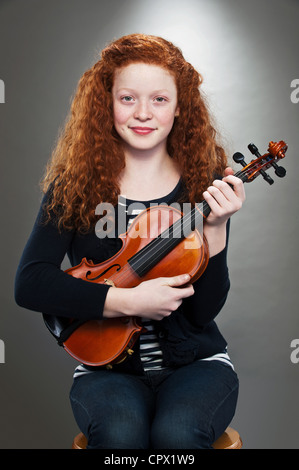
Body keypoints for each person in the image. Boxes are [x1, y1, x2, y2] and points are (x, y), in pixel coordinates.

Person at [15, 33, 245, 449]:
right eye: (127, 99)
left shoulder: (203, 185)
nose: (143, 113)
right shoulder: (75, 187)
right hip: (106, 371)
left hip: (196, 365)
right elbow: (30, 283)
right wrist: (125, 302)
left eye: (159, 99)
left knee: (177, 436)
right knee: (121, 437)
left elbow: (201, 314)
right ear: (107, 103)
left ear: (179, 108)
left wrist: (215, 229)